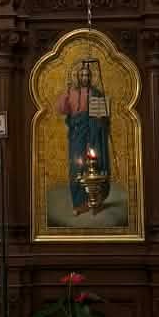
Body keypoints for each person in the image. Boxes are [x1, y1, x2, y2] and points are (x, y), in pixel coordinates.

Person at [56, 57, 111, 210]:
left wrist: (101, 121)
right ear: (78, 77)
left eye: (87, 75)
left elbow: (104, 116)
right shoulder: (72, 92)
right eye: (82, 75)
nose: (85, 78)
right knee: (77, 166)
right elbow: (62, 110)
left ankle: (96, 199)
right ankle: (79, 203)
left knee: (96, 163)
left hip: (94, 134)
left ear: (90, 77)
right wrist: (66, 94)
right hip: (77, 135)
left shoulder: (96, 93)